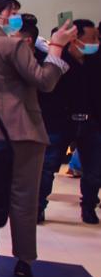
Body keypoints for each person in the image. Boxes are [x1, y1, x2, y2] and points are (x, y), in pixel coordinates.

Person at [0, 0, 74, 277]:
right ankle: (24, 261)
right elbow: (44, 81)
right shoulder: (13, 45)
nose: (17, 16)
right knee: (24, 199)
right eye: (12, 12)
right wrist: (56, 48)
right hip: (23, 129)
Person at [39, 19, 100, 224]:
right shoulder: (57, 60)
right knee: (48, 168)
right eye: (92, 38)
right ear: (75, 39)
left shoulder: (96, 61)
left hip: (91, 123)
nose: (96, 42)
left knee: (94, 170)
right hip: (60, 123)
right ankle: (38, 207)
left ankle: (89, 207)